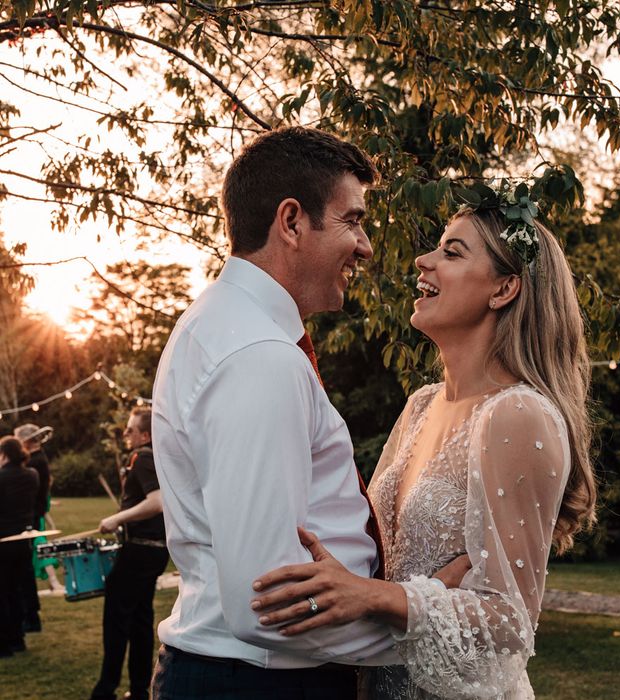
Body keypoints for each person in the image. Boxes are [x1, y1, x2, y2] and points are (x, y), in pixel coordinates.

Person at [252, 181, 597, 699]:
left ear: (504, 289)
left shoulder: (517, 414)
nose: (422, 260)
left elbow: (510, 622)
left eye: (451, 252)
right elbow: (382, 555)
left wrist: (379, 597)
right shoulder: (420, 405)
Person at [151, 126, 431, 700]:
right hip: (258, 684)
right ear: (292, 221)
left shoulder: (231, 326)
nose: (367, 246)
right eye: (353, 220)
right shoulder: (260, 356)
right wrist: (412, 633)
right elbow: (266, 603)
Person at [90, 407, 169, 700]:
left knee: (117, 621)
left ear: (145, 435)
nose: (125, 434)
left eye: (130, 429)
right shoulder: (157, 456)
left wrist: (117, 519)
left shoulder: (144, 456)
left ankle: (104, 691)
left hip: (139, 552)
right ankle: (138, 690)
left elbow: (157, 502)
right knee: (139, 621)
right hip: (152, 551)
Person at [14, 423, 64, 600]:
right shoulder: (37, 458)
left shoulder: (35, 461)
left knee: (39, 545)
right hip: (37, 508)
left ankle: (54, 582)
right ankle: (52, 583)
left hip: (34, 510)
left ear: (26, 441)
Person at [0, 436, 38, 658]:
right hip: (23, 540)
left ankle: (3, 644)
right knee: (16, 590)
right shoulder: (32, 475)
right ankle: (18, 638)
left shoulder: (2, 477)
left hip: (3, 541)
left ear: (4, 454)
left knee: (2, 593)